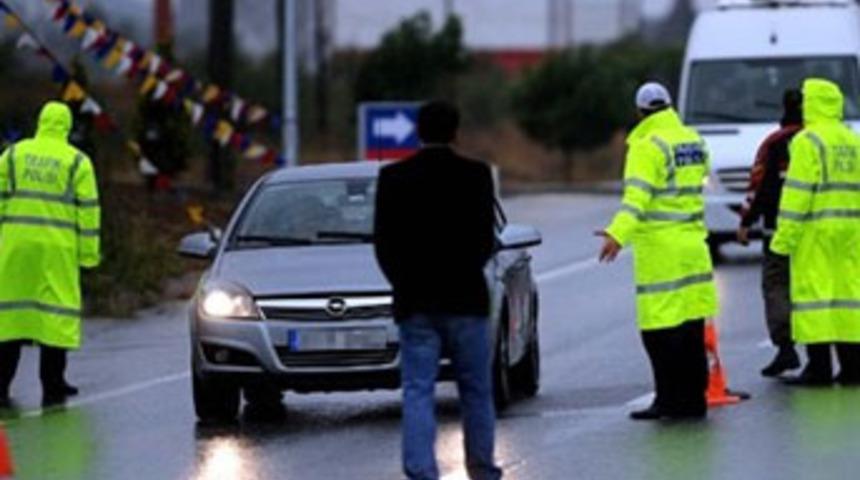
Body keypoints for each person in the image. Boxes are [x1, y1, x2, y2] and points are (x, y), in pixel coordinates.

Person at [374, 100, 502, 480]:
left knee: (417, 390)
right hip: (466, 299)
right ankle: (481, 468)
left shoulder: (393, 177)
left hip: (415, 302)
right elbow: (485, 240)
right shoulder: (476, 175)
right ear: (456, 133)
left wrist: (403, 282)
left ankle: (421, 471)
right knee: (476, 391)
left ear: (418, 132)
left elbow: (384, 244)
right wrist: (465, 269)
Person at [597, 82, 718, 421]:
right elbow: (699, 180)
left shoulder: (646, 145)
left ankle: (668, 400)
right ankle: (694, 400)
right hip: (694, 245)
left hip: (662, 251)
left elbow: (636, 199)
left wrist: (617, 234)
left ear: (640, 112)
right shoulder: (693, 140)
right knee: (691, 327)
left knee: (659, 331)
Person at [0, 101, 101, 406]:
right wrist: (88, 255)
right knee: (56, 314)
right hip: (58, 248)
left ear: (40, 122)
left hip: (16, 245)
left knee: (11, 314)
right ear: (67, 127)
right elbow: (88, 212)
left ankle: (1, 384)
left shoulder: (13, 155)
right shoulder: (77, 162)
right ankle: (53, 383)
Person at [771, 78, 860, 386]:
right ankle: (853, 366)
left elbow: (797, 195)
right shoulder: (852, 140)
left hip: (816, 232)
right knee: (848, 296)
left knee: (814, 298)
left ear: (812, 104)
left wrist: (783, 240)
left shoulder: (807, 141)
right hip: (851, 232)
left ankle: (818, 367)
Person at [738, 89, 803, 377]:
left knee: (777, 287)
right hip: (819, 232)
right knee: (817, 289)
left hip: (778, 229)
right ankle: (827, 356)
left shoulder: (774, 143)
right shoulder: (824, 140)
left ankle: (786, 348)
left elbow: (759, 185)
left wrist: (746, 221)